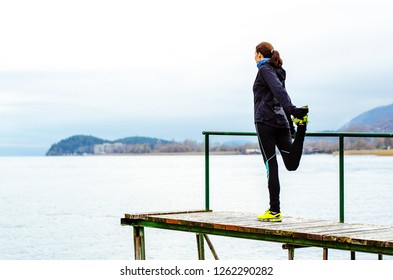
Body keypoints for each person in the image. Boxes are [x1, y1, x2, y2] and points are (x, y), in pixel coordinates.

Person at [253, 41, 309, 222]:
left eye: (254, 55)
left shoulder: (264, 70)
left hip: (265, 123)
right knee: (291, 163)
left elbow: (278, 91)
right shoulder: (278, 71)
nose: (254, 58)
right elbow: (281, 93)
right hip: (281, 122)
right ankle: (302, 127)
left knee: (272, 166)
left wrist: (292, 110)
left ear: (260, 56)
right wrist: (292, 124)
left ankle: (274, 210)